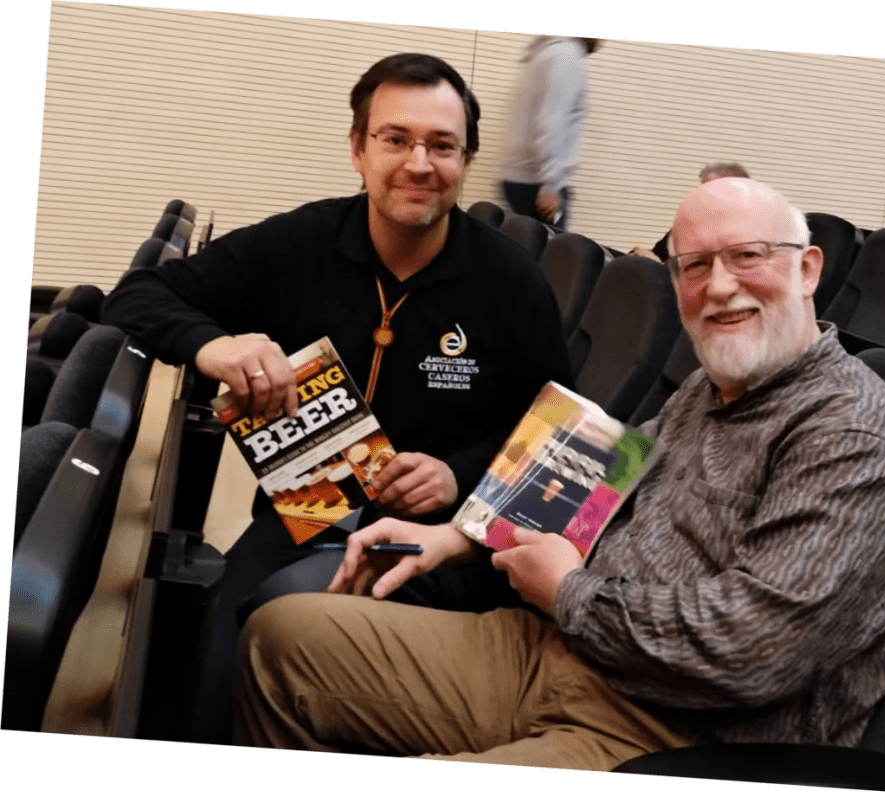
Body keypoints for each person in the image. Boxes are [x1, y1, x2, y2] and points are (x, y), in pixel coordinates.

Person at [235, 178, 885, 771]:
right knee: (282, 640)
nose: (719, 287)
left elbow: (750, 651)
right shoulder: (711, 387)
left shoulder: (853, 434)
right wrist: (455, 536)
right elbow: (590, 476)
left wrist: (569, 593)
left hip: (676, 737)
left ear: (807, 270)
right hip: (562, 652)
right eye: (693, 266)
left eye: (747, 257)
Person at [101, 52, 573, 744]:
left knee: (279, 625)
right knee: (212, 664)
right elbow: (136, 295)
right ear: (358, 148)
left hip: (441, 547)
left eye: (442, 146)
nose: (419, 163)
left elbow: (561, 441)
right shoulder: (301, 244)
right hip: (305, 511)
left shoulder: (512, 283)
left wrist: (458, 473)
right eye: (395, 139)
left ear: (466, 161)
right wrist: (213, 346)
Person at [500, 36, 601, 230]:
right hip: (537, 185)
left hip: (523, 178)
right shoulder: (566, 55)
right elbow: (552, 122)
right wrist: (551, 185)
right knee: (553, 249)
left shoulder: (546, 53)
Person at [633, 162, 751, 261]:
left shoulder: (744, 237)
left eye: (709, 191)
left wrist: (656, 266)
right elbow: (658, 254)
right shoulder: (686, 225)